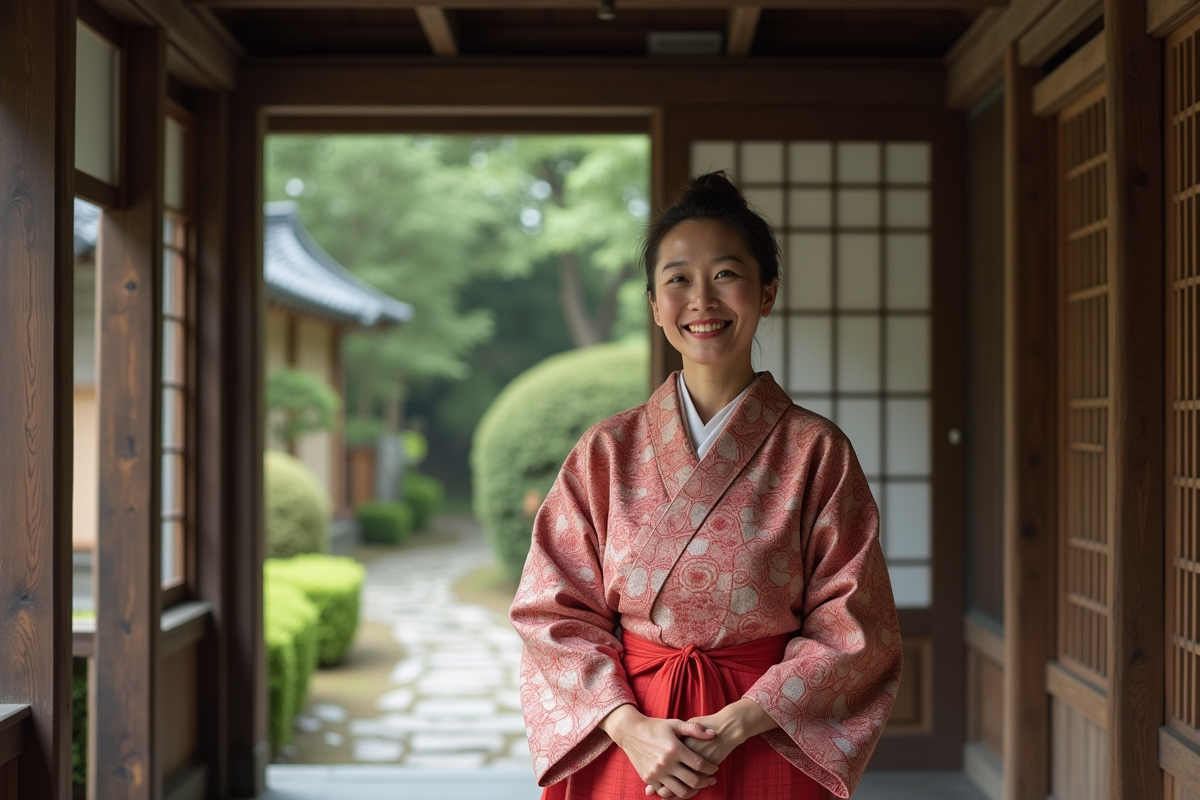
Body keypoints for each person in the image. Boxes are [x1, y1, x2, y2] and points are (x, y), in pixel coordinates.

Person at [509, 172, 902, 800]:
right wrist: (629, 726)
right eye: (677, 280)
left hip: (763, 732)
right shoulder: (608, 450)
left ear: (766, 292)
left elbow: (853, 623)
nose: (701, 299)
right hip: (633, 741)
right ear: (653, 304)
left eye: (725, 274)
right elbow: (550, 609)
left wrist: (739, 721)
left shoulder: (815, 451)